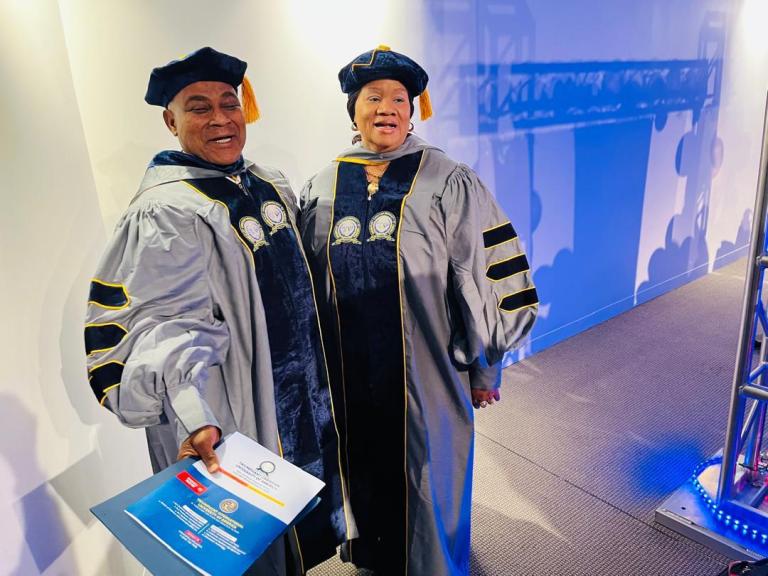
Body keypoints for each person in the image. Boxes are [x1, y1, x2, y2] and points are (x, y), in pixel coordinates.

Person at [84, 47, 352, 575]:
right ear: (171, 122)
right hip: (230, 407)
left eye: (229, 103)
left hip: (297, 396)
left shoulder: (268, 182)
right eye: (199, 107)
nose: (220, 119)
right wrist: (194, 416)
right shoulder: (166, 210)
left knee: (291, 531)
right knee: (242, 543)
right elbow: (162, 326)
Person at [299, 45, 538, 575]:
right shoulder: (321, 185)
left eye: (399, 99)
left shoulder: (448, 180)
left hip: (426, 370)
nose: (386, 108)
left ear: (413, 110)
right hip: (347, 374)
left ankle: (433, 562)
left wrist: (486, 367)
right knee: (360, 463)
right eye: (373, 97)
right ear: (353, 110)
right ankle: (372, 552)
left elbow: (483, 276)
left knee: (429, 471)